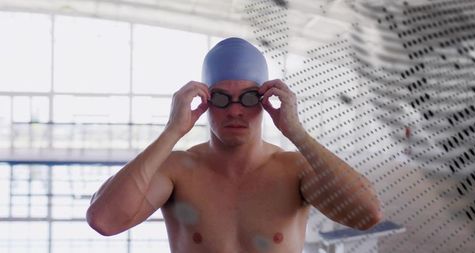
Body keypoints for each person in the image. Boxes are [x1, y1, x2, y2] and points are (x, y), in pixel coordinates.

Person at [86, 37, 383, 252]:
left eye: (250, 98)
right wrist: (171, 132)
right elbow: (104, 220)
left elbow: (368, 214)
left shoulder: (294, 170)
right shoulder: (178, 170)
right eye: (221, 98)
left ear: (266, 100)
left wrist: (297, 133)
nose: (235, 110)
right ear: (204, 101)